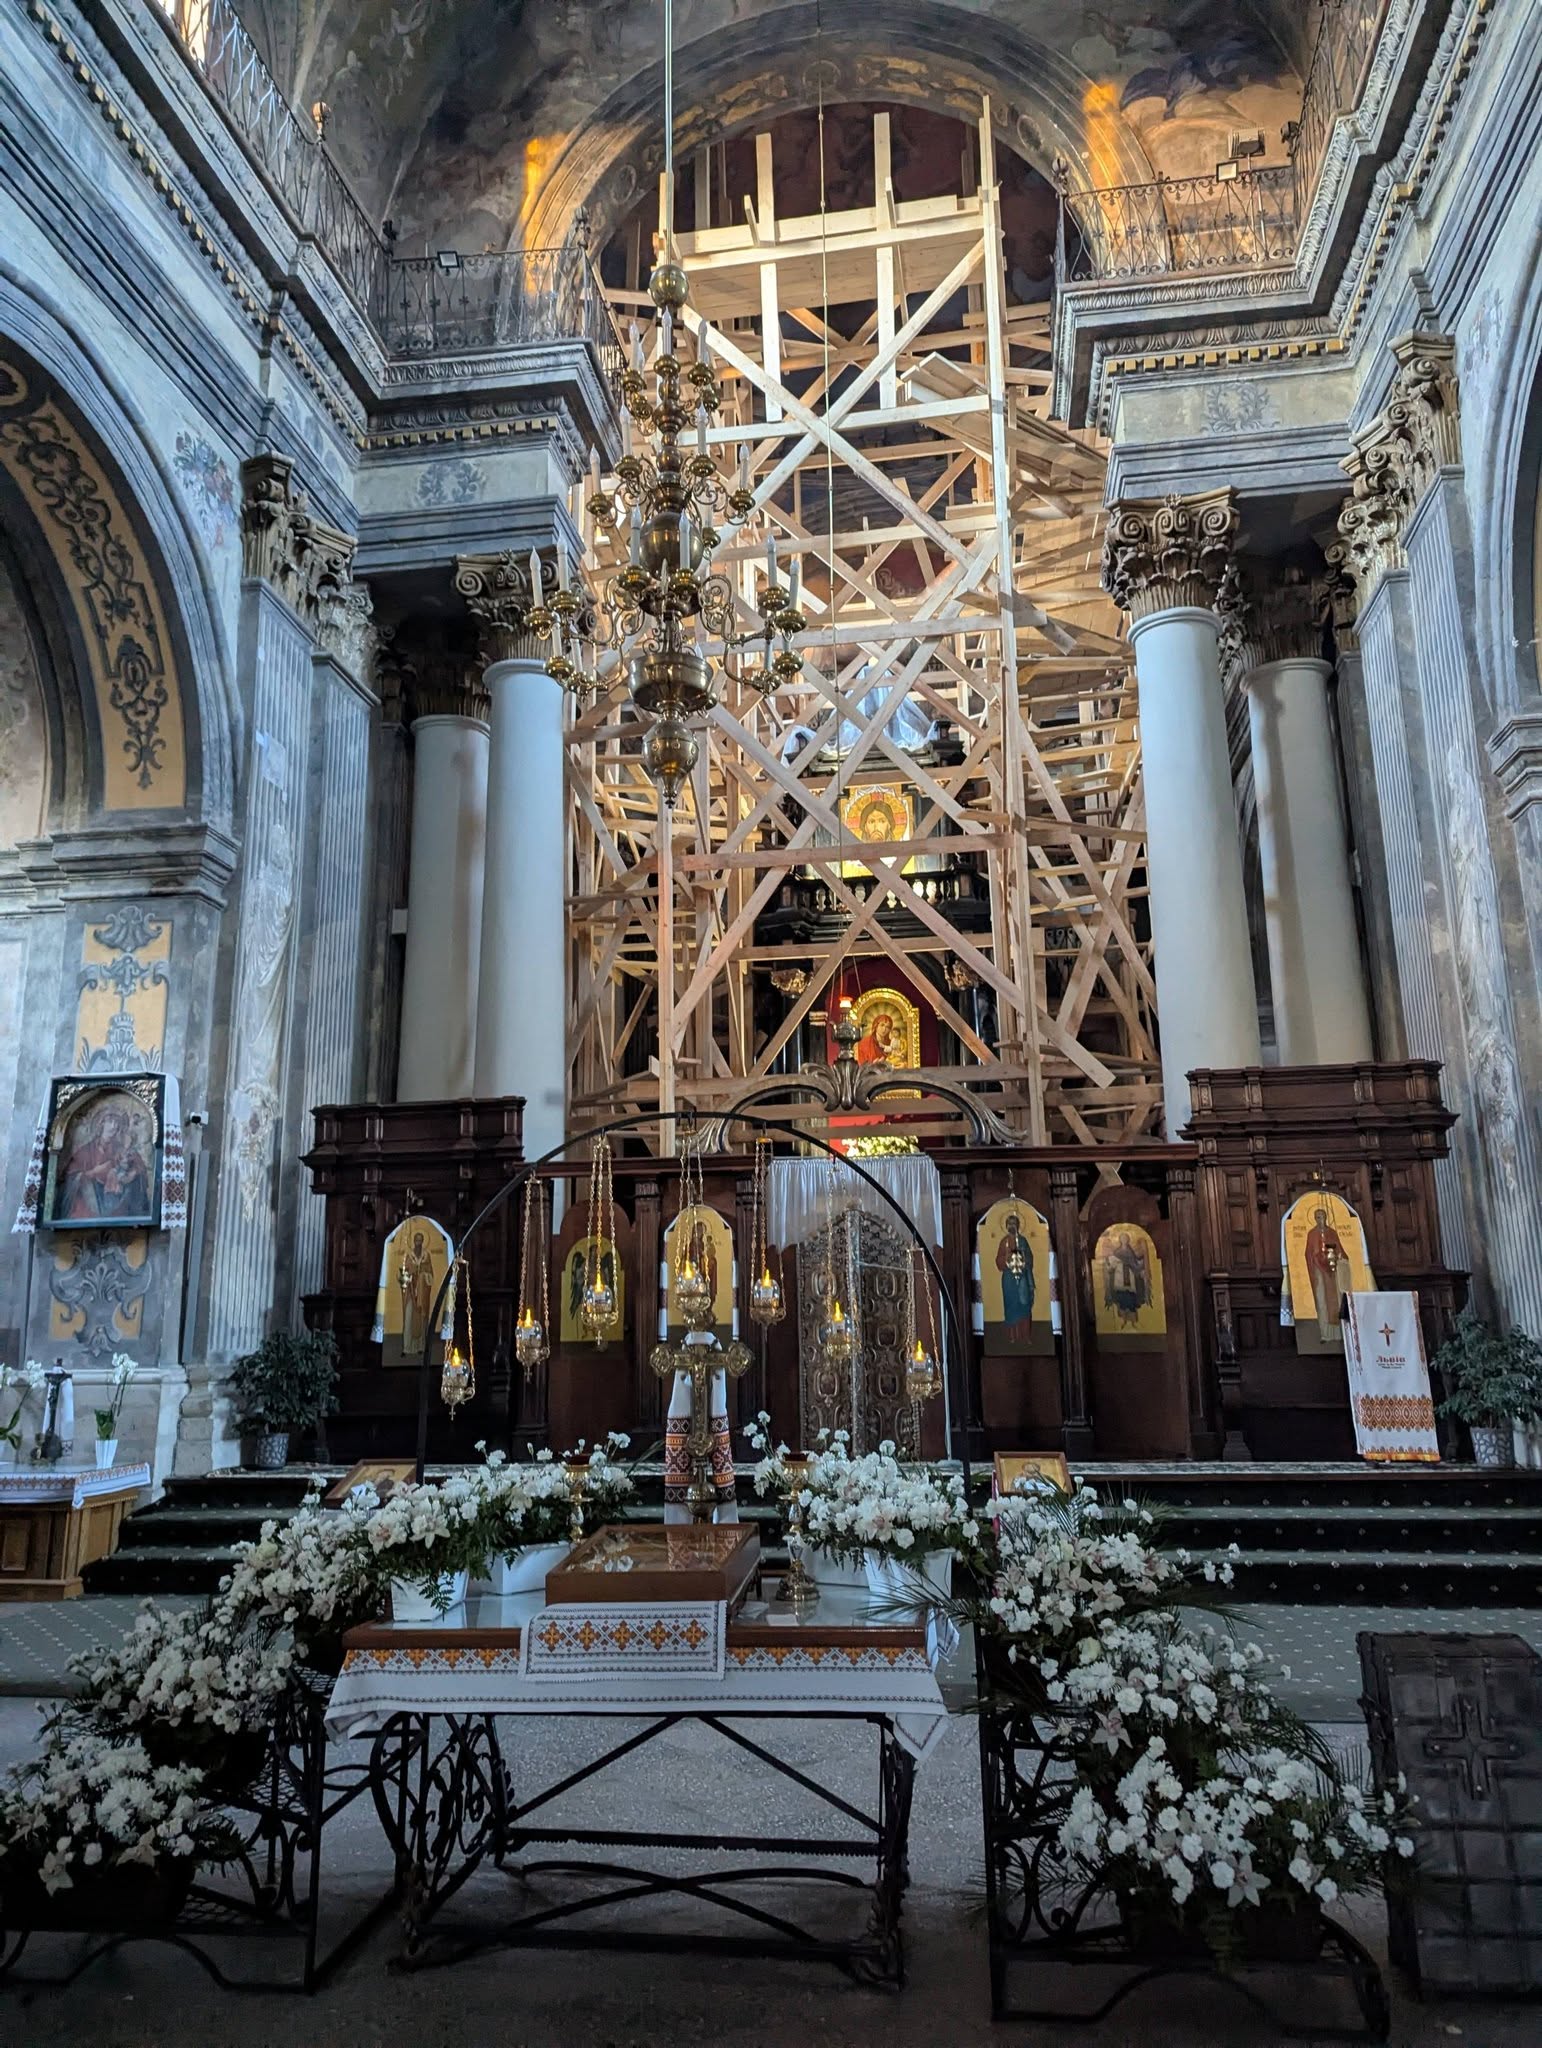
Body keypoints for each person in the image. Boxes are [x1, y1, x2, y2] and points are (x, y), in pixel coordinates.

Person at [59, 1101, 151, 1220]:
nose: (114, 1126)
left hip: (118, 1206)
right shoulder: (86, 1150)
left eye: (117, 1123)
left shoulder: (123, 1149)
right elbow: (70, 1177)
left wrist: (132, 1174)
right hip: (88, 1207)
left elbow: (140, 1169)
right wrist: (93, 1172)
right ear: (101, 1124)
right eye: (110, 1122)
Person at [1304, 1204, 1349, 1341]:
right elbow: (1308, 1253)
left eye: (1322, 1216)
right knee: (1322, 1301)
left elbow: (1340, 1249)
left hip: (1333, 1271)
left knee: (1337, 1300)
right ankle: (1325, 1334)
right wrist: (1316, 1260)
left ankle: (1339, 1334)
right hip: (1319, 1271)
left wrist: (1340, 1257)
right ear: (1314, 1219)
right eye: (1318, 1217)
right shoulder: (1311, 1234)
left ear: (1326, 1217)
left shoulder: (1332, 1233)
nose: (1320, 1219)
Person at [995, 1211, 1036, 1337]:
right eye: (1009, 1224)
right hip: (1009, 1280)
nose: (1012, 1226)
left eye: (1014, 1223)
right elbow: (998, 1261)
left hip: (1022, 1277)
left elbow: (1030, 1257)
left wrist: (1023, 1258)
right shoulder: (1004, 1242)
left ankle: (1026, 1335)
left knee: (1024, 1304)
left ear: (1018, 1225)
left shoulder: (1023, 1241)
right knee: (1011, 1306)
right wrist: (1007, 1258)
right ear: (1006, 1226)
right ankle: (1012, 1336)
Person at [1102, 1229, 1150, 1326]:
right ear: (1120, 1240)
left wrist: (1142, 1268)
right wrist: (1108, 1263)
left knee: (1131, 1299)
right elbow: (1111, 1265)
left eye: (1126, 1238)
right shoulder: (1117, 1252)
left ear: (1128, 1240)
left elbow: (1136, 1263)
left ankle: (1133, 1322)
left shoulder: (1131, 1252)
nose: (1124, 1240)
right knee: (1122, 1299)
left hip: (1130, 1277)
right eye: (1122, 1238)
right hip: (1120, 1277)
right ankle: (1123, 1320)